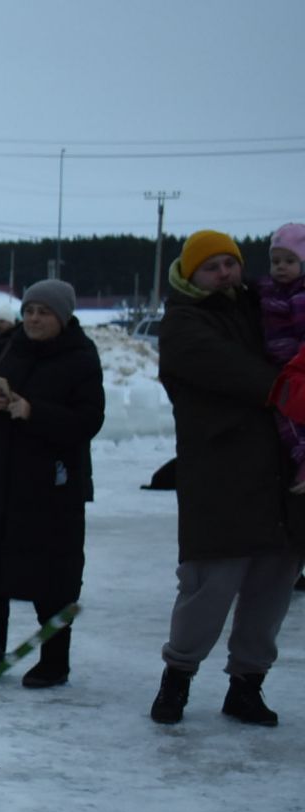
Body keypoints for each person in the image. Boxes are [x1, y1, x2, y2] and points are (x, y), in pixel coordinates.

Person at [150, 230, 305, 726]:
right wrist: (285, 389)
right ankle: (177, 680)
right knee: (208, 588)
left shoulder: (260, 307)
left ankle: (247, 686)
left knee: (272, 586)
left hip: (278, 475)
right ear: (190, 274)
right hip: (220, 476)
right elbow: (232, 369)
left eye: (230, 263)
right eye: (212, 266)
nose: (225, 273)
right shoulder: (183, 322)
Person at [0, 280, 103, 687]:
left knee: (53, 578)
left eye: (45, 312)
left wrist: (34, 411)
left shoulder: (80, 357)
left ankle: (55, 662)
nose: (35, 319)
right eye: (30, 310)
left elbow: (89, 421)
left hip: (50, 487)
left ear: (64, 316)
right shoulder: (4, 348)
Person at [256, 224, 305, 492]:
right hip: (279, 364)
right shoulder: (272, 290)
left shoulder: (300, 298)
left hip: (294, 367)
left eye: (289, 261)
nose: (281, 267)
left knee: (292, 416)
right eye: (275, 262)